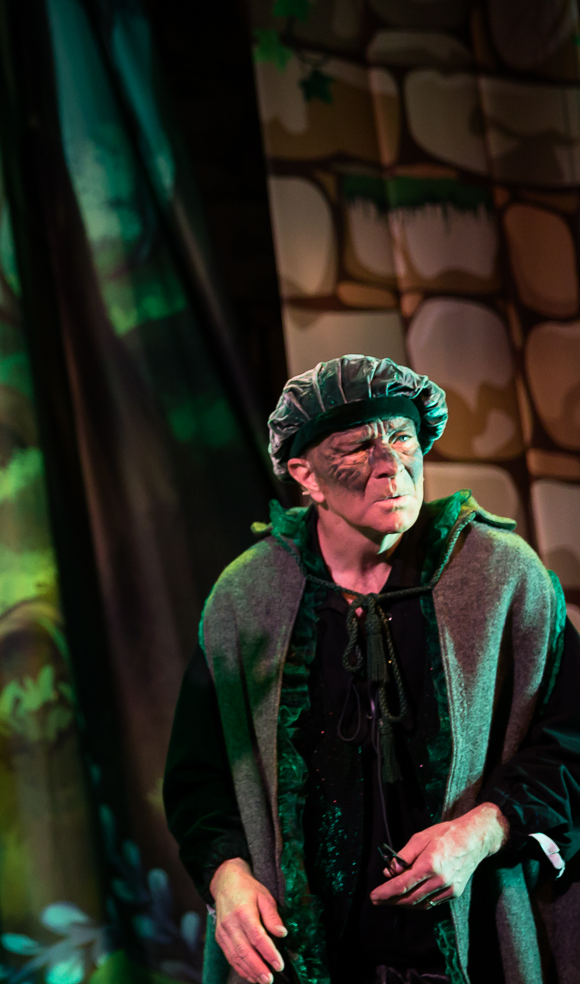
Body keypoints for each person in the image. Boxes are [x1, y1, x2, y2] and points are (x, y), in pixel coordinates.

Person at [163, 354, 580, 984]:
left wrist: (481, 830)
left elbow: (571, 738)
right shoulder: (247, 599)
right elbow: (200, 777)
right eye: (358, 448)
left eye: (402, 439)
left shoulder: (501, 576)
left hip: (473, 949)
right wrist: (227, 876)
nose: (390, 465)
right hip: (308, 959)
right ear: (305, 474)